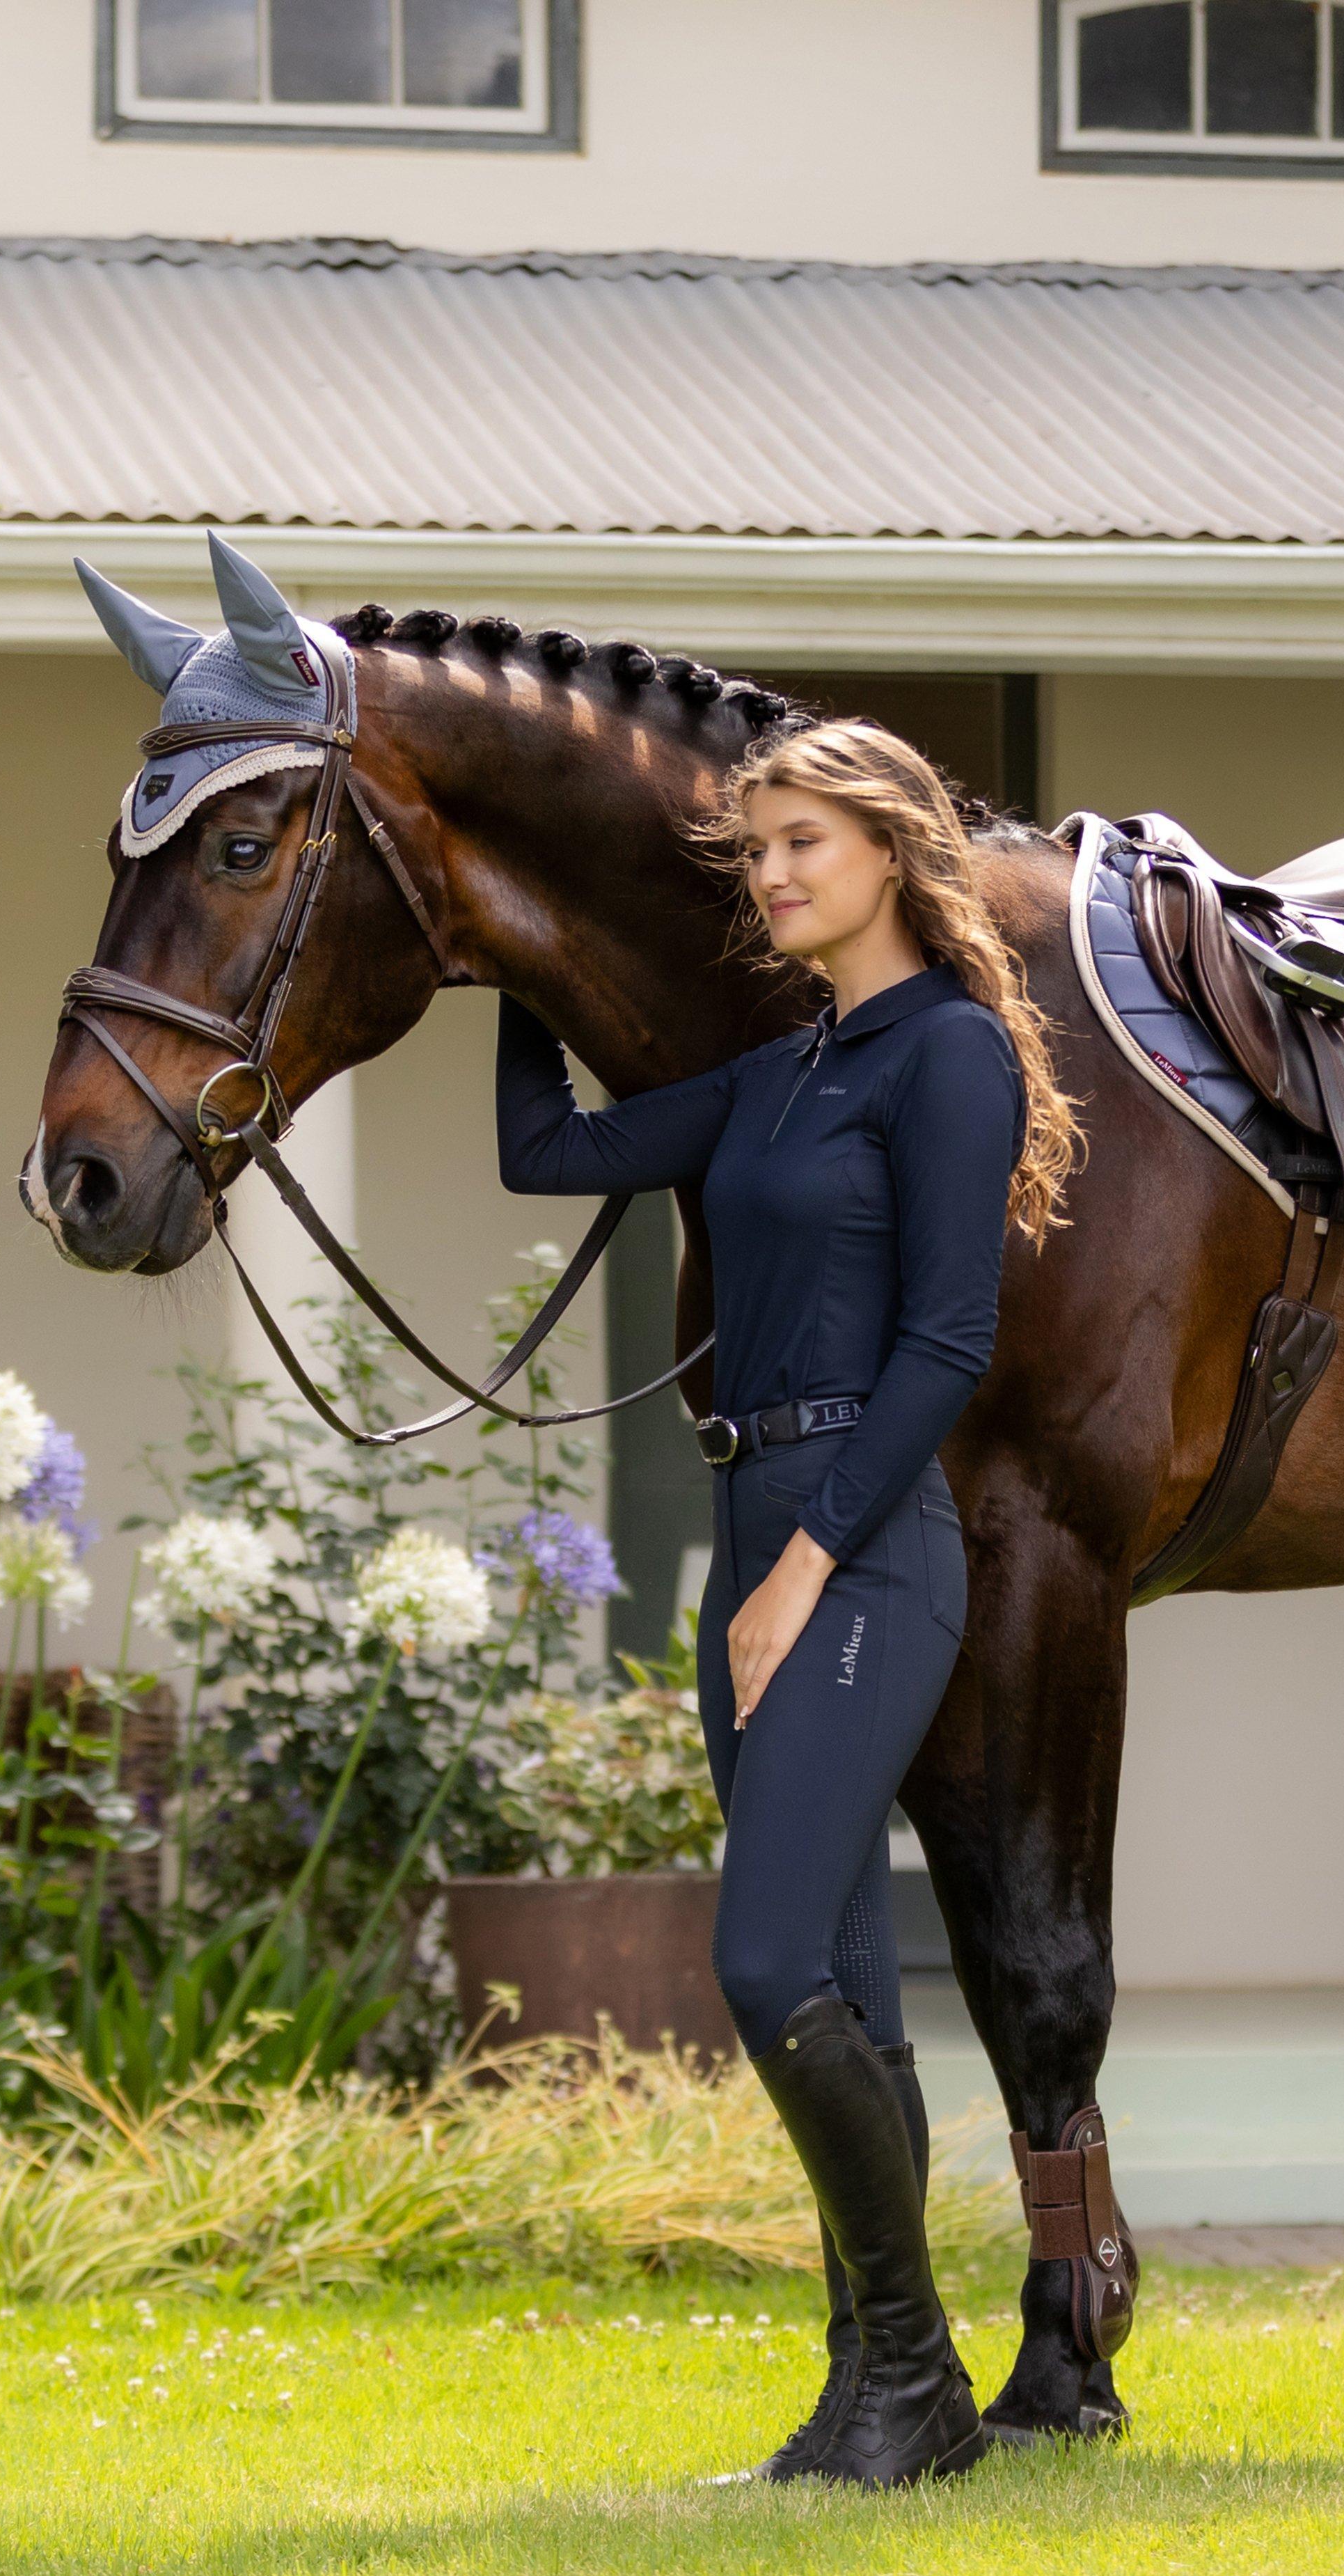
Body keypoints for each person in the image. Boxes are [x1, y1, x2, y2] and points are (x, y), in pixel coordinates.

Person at [496, 719, 1082, 2485]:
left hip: (867, 1538)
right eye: (753, 850)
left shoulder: (952, 1056)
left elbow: (950, 1343)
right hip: (755, 1513)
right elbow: (548, 1152)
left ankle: (909, 2375)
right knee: (841, 1982)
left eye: (799, 842)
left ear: (896, 854)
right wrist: (506, 942)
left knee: (762, 1963)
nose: (769, 875)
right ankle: (867, 2400)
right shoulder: (772, 1077)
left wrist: (808, 1558)